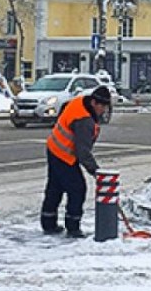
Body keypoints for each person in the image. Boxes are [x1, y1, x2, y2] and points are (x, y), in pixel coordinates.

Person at [40, 86, 111, 238]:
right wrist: (95, 171)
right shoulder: (84, 121)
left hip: (53, 147)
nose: (104, 110)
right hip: (63, 155)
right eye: (102, 106)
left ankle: (48, 222)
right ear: (93, 103)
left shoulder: (79, 101)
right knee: (77, 189)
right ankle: (73, 227)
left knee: (55, 186)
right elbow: (83, 152)